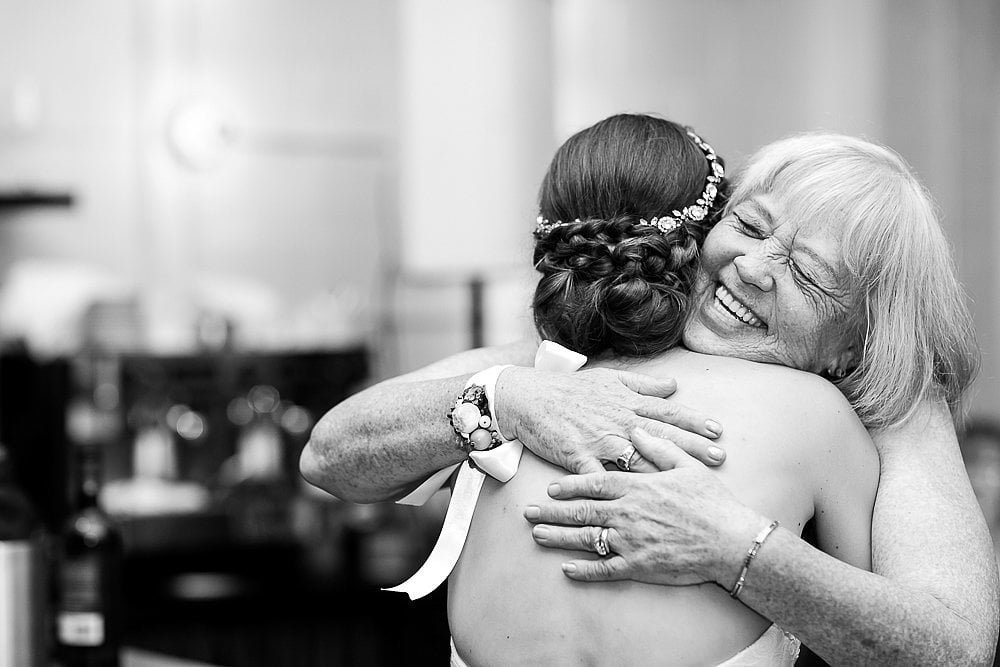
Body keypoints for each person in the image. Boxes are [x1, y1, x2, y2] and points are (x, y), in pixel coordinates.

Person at [301, 124, 999, 664]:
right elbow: (328, 454)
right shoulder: (558, 362)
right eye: (750, 226)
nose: (752, 267)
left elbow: (945, 648)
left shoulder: (868, 414)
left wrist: (736, 546)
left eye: (810, 275)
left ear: (860, 339)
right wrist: (503, 396)